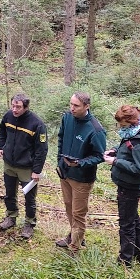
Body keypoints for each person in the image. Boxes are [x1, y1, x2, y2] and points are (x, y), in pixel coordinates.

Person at [104, 105, 140, 266]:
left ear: (131, 121)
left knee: (126, 223)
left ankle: (125, 260)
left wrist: (116, 161)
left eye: (122, 124)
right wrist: (114, 151)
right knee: (133, 219)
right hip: (126, 184)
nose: (120, 127)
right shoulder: (134, 133)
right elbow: (127, 149)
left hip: (130, 187)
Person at [55, 92, 107, 254]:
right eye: (71, 104)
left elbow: (100, 156)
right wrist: (59, 162)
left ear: (87, 106)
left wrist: (80, 163)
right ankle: (74, 236)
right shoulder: (67, 118)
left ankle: (75, 248)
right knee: (69, 207)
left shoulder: (96, 129)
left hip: (82, 178)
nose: (72, 108)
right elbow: (61, 139)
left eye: (76, 106)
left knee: (78, 213)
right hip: (65, 173)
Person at [0, 93, 48, 240]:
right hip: (9, 164)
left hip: (27, 167)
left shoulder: (37, 124)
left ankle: (29, 223)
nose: (14, 109)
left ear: (26, 107)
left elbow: (42, 149)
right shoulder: (8, 117)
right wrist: (1, 146)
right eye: (13, 105)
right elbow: (2, 132)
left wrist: (37, 171)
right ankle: (11, 217)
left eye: (18, 107)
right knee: (9, 193)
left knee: (29, 198)